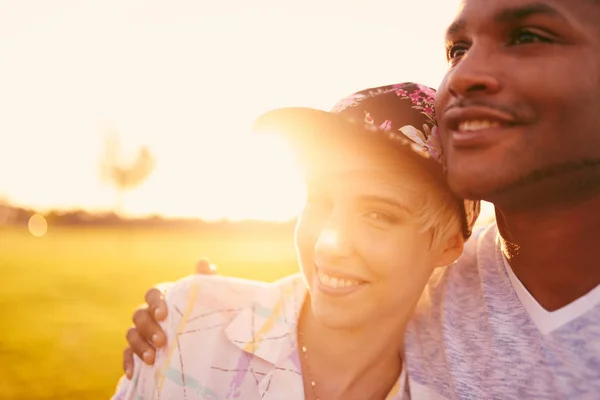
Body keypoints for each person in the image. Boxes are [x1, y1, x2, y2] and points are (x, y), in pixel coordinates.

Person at [123, 0, 600, 397]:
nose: (466, 73)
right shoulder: (189, 323)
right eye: (457, 49)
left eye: (529, 37)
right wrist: (202, 314)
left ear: (448, 245)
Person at [111, 82, 480, 400]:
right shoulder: (190, 323)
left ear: (447, 245)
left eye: (378, 215)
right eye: (320, 200)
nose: (328, 244)